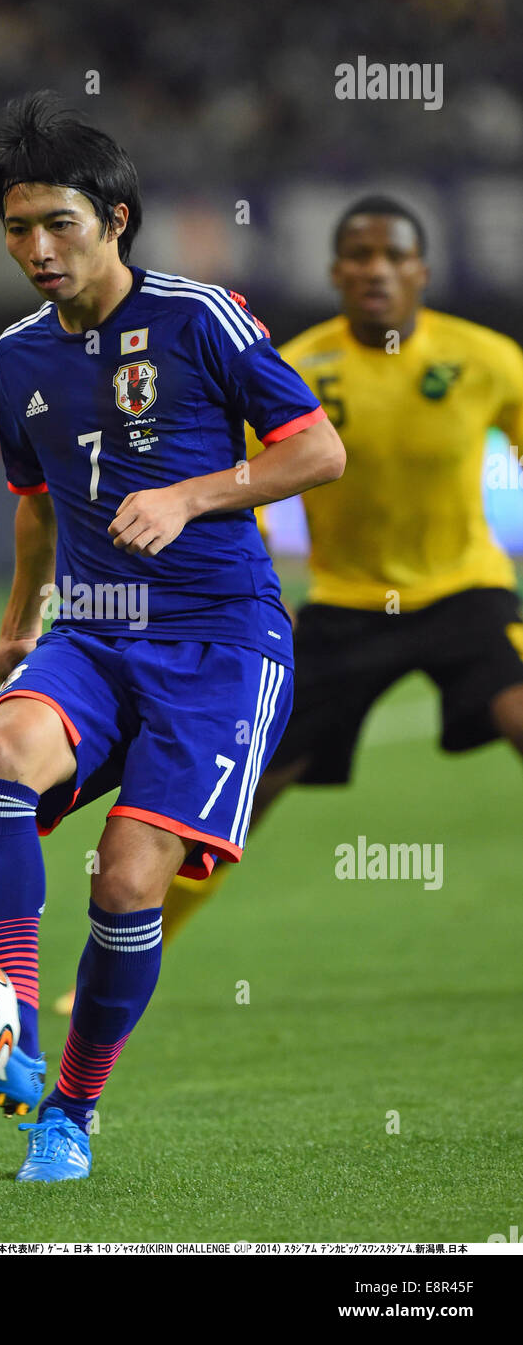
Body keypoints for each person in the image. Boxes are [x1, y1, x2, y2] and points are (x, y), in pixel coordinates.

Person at [0, 90, 345, 1183]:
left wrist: (192, 495)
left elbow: (315, 452)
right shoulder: (17, 355)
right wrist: (19, 615)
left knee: (127, 880)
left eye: (58, 224)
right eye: (17, 230)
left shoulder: (199, 316)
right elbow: (33, 498)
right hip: (89, 629)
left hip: (219, 638)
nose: (37, 250)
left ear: (114, 219)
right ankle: (12, 1039)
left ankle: (69, 1112)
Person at [75, 193, 523, 967]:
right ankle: (119, 965)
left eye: (391, 256)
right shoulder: (295, 365)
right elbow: (238, 477)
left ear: (420, 270)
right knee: (246, 790)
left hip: (465, 594)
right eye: (357, 255)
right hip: (344, 608)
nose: (373, 269)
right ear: (334, 271)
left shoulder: (486, 358)